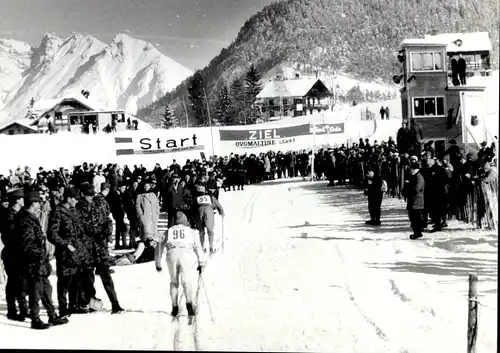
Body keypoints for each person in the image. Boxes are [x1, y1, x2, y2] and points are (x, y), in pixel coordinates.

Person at [16, 191, 69, 329]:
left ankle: (52, 316)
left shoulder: (29, 217)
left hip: (39, 262)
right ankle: (35, 319)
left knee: (46, 289)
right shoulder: (25, 221)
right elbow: (27, 245)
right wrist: (41, 254)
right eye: (38, 202)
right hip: (32, 263)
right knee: (36, 291)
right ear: (33, 203)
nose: (40, 204)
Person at [47, 187, 89, 316]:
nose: (77, 201)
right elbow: (52, 234)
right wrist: (66, 244)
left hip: (77, 252)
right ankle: (63, 308)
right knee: (64, 282)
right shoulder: (58, 212)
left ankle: (73, 305)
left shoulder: (74, 211)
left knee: (76, 280)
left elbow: (80, 230)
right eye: (75, 199)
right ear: (69, 198)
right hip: (65, 253)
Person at [164, 212, 206, 318]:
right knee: (187, 281)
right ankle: (189, 305)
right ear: (185, 221)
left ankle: (174, 306)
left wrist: (158, 262)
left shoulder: (168, 231)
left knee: (173, 282)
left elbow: (160, 245)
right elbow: (198, 248)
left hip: (171, 255)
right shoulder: (192, 232)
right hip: (185, 255)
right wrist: (201, 262)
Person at [1, 189, 29, 321]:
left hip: (20, 253)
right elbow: (10, 236)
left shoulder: (21, 214)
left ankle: (23, 309)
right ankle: (12, 310)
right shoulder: (9, 216)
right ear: (18, 200)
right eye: (22, 198)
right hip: (12, 254)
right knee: (13, 282)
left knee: (21, 281)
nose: (24, 200)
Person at [193, 185, 225, 253]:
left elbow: (193, 208)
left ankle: (202, 247)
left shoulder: (196, 198)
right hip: (208, 210)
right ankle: (211, 247)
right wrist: (221, 212)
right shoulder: (210, 197)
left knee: (201, 231)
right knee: (210, 230)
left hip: (199, 211)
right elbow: (218, 205)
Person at [402, 162, 425, 240]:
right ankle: (416, 232)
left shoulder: (419, 177)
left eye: (413, 169)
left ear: (417, 169)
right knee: (412, 217)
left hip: (417, 200)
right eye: (411, 169)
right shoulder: (412, 176)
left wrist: (408, 187)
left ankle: (418, 232)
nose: (411, 170)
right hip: (412, 200)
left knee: (416, 218)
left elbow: (416, 189)